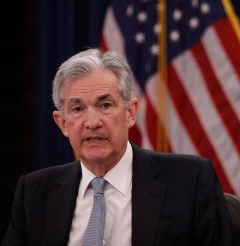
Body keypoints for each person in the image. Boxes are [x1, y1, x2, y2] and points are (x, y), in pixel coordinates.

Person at [2, 48, 237, 246]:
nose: (92, 123)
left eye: (105, 105)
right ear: (62, 123)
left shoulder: (190, 182)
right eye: (77, 109)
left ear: (130, 113)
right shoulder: (33, 194)